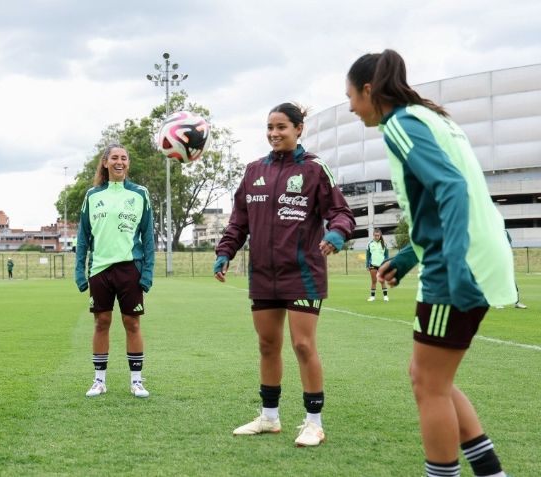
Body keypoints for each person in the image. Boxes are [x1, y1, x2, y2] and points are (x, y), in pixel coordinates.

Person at [347, 49, 516, 477]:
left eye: (351, 96)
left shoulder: (399, 124)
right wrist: (405, 257)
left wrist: (455, 266)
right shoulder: (432, 118)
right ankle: (491, 473)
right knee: (430, 377)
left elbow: (452, 188)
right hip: (477, 255)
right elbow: (437, 201)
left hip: (458, 264)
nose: (350, 107)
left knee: (428, 384)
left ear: (369, 91)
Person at [214, 103, 355, 447]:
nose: (274, 133)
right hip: (263, 273)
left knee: (303, 345)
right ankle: (269, 418)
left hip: (303, 273)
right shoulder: (252, 172)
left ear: (298, 129)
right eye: (270, 127)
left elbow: (341, 213)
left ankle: (313, 422)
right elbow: (239, 222)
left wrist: (335, 234)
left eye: (282, 127)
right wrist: (224, 252)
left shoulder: (314, 169)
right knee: (267, 345)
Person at [75, 143, 155, 398]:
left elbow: (148, 235)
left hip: (130, 267)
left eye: (124, 158)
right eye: (115, 158)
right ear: (105, 162)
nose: (120, 162)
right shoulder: (92, 195)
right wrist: (80, 271)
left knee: (132, 323)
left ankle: (137, 381)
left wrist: (148, 272)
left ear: (128, 164)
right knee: (102, 322)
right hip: (100, 269)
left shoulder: (140, 193)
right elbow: (83, 237)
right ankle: (99, 381)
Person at [365, 228, 390, 301]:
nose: (376, 237)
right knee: (374, 281)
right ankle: (372, 297)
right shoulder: (370, 244)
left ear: (380, 235)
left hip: (382, 266)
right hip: (373, 265)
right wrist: (367, 265)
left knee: (382, 280)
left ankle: (385, 296)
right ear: (373, 235)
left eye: (378, 235)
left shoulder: (384, 244)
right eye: (375, 235)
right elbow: (368, 256)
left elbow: (387, 256)